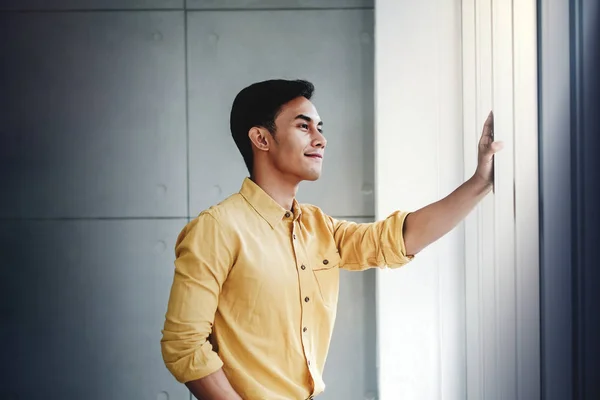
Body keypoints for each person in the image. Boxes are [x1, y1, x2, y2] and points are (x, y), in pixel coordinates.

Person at [160, 79, 502, 400]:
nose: (320, 139)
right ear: (261, 139)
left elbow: (398, 238)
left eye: (320, 128)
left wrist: (480, 182)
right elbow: (184, 345)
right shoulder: (217, 228)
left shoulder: (317, 226)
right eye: (303, 126)